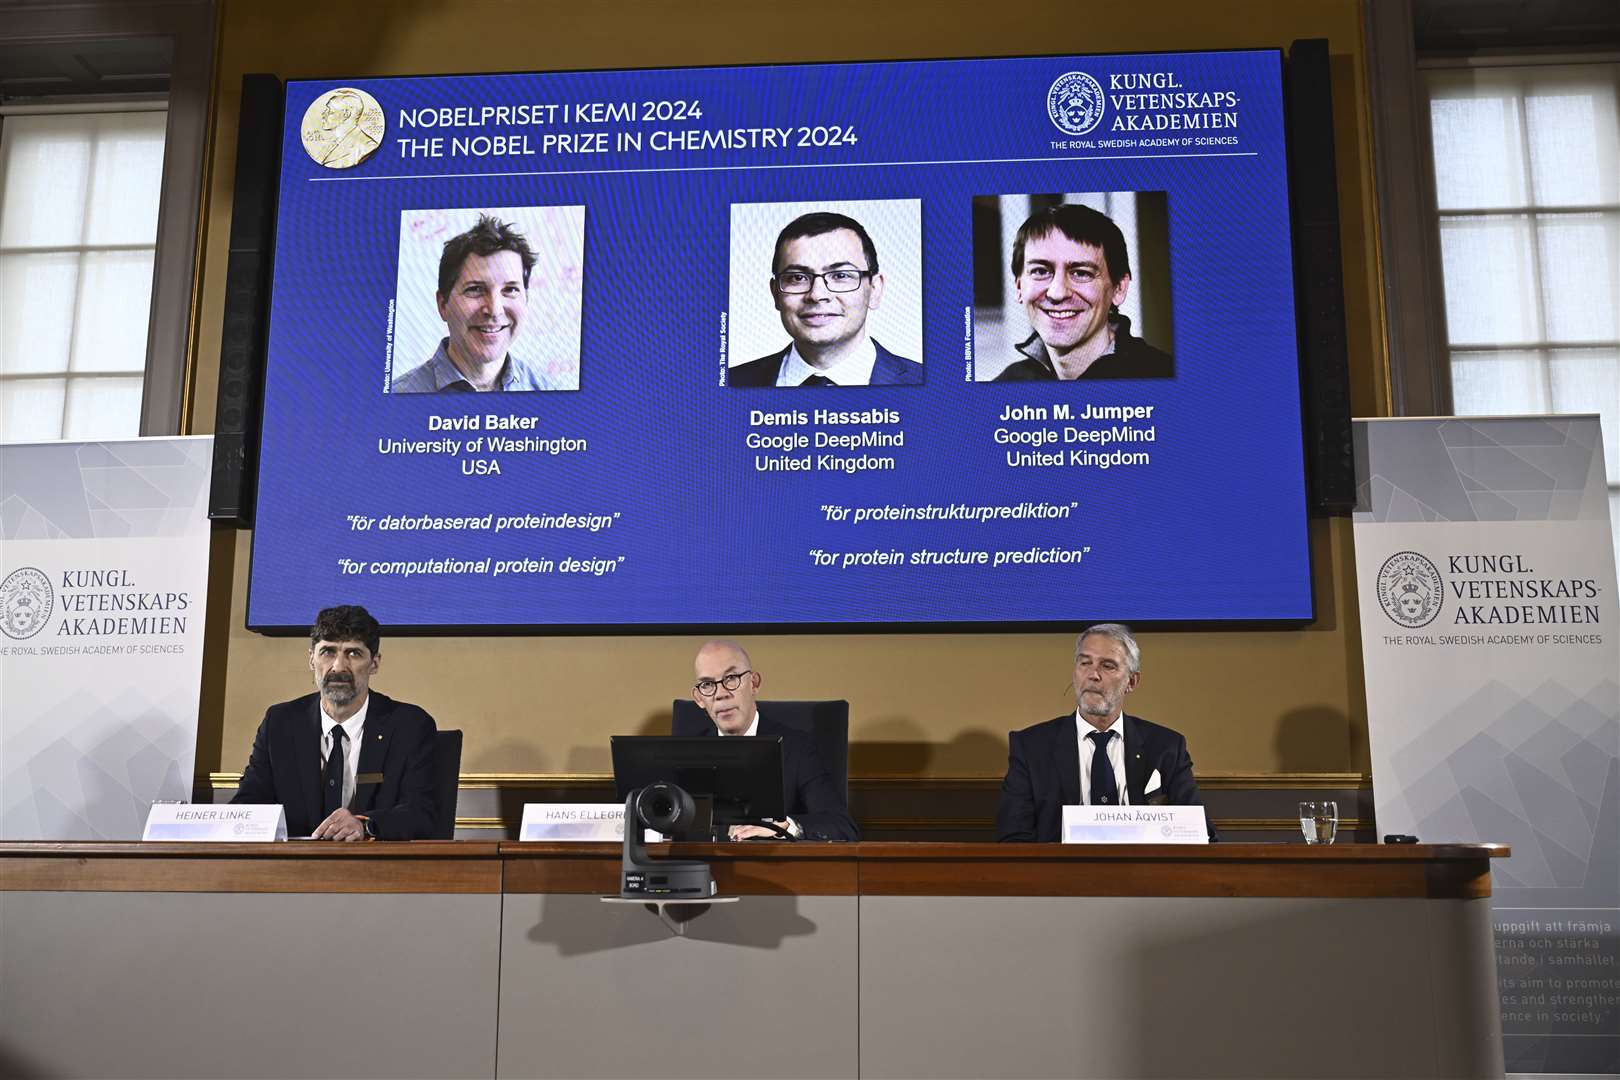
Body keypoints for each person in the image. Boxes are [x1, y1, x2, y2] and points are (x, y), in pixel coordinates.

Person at [232, 605, 439, 839]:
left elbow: (422, 813)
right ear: (311, 659)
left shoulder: (409, 726)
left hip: (377, 867)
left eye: (353, 653)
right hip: (292, 869)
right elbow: (249, 803)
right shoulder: (280, 723)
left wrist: (365, 825)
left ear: (374, 663)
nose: (338, 667)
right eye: (328, 652)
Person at [995, 623, 1214, 841]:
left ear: (1132, 681)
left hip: (1144, 872)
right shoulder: (1032, 747)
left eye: (1107, 666)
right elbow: (1014, 840)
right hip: (1062, 872)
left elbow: (1201, 835)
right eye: (1085, 663)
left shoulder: (1166, 747)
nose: (1092, 675)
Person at [687, 639, 859, 840]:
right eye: (707, 684)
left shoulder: (797, 749)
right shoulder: (690, 756)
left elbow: (841, 826)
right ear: (699, 698)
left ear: (754, 683)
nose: (721, 694)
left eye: (731, 678)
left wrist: (786, 827)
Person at [730, 211, 922, 387]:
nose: (817, 295)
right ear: (776, 294)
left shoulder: (933, 385)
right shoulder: (730, 383)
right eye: (798, 278)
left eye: (840, 275)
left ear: (874, 290)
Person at [993, 203, 1174, 381]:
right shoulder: (1005, 386)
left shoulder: (1165, 376)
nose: (1057, 293)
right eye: (1040, 271)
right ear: (1018, 287)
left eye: (1081, 273)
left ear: (1119, 288)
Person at [392, 214, 566, 393]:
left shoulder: (554, 395)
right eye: (475, 289)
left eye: (510, 290)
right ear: (443, 305)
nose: (495, 310)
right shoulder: (396, 400)